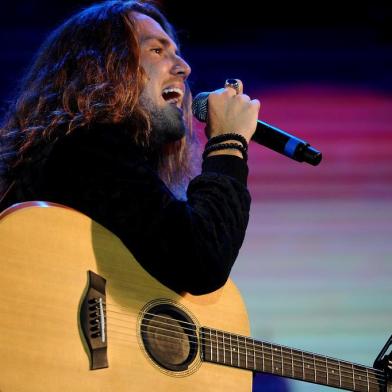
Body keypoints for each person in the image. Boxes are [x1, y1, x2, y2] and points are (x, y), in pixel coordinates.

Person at [0, 0, 260, 296]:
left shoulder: (89, 158)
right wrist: (228, 143)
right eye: (157, 50)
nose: (184, 68)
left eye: (177, 52)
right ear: (103, 67)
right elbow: (201, 261)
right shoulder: (86, 148)